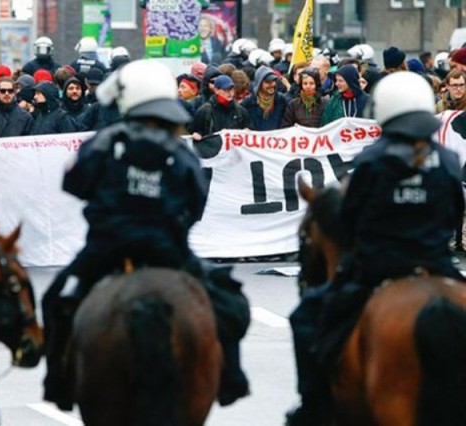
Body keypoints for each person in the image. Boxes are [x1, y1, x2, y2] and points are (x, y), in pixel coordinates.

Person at [41, 59, 250, 411]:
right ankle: (232, 377)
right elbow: (197, 202)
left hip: (106, 251)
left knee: (56, 301)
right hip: (169, 253)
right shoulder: (179, 151)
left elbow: (73, 183)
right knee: (229, 301)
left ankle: (57, 382)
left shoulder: (104, 143)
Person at [286, 71, 466, 426]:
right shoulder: (447, 159)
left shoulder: (372, 159)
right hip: (437, 264)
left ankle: (313, 405)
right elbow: (454, 213)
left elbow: (351, 220)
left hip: (379, 267)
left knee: (306, 317)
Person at [190, 74, 248, 139]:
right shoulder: (205, 110)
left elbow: (249, 128)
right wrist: (196, 134)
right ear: (216, 90)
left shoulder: (240, 111)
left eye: (232, 90)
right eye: (226, 90)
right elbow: (193, 131)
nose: (230, 93)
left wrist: (247, 132)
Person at [241, 66, 289, 131]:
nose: (272, 84)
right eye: (268, 82)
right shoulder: (247, 104)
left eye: (273, 81)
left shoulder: (282, 101)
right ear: (259, 84)